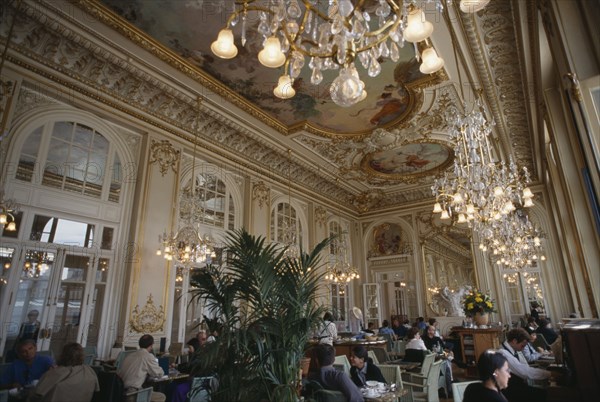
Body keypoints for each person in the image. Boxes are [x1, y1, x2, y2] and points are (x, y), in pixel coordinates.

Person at [28, 342, 99, 402]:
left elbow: (37, 394)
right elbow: (96, 390)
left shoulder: (54, 373)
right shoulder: (89, 371)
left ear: (63, 355)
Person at [497, 328, 550, 402]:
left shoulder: (513, 349)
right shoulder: (504, 353)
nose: (522, 349)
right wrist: (549, 374)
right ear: (514, 341)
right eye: (522, 346)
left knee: (542, 392)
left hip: (516, 385)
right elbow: (524, 372)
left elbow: (525, 366)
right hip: (510, 390)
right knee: (543, 394)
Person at [117, 334, 166, 402]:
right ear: (151, 345)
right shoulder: (148, 356)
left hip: (120, 392)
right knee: (161, 397)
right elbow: (160, 373)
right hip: (133, 394)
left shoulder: (129, 355)